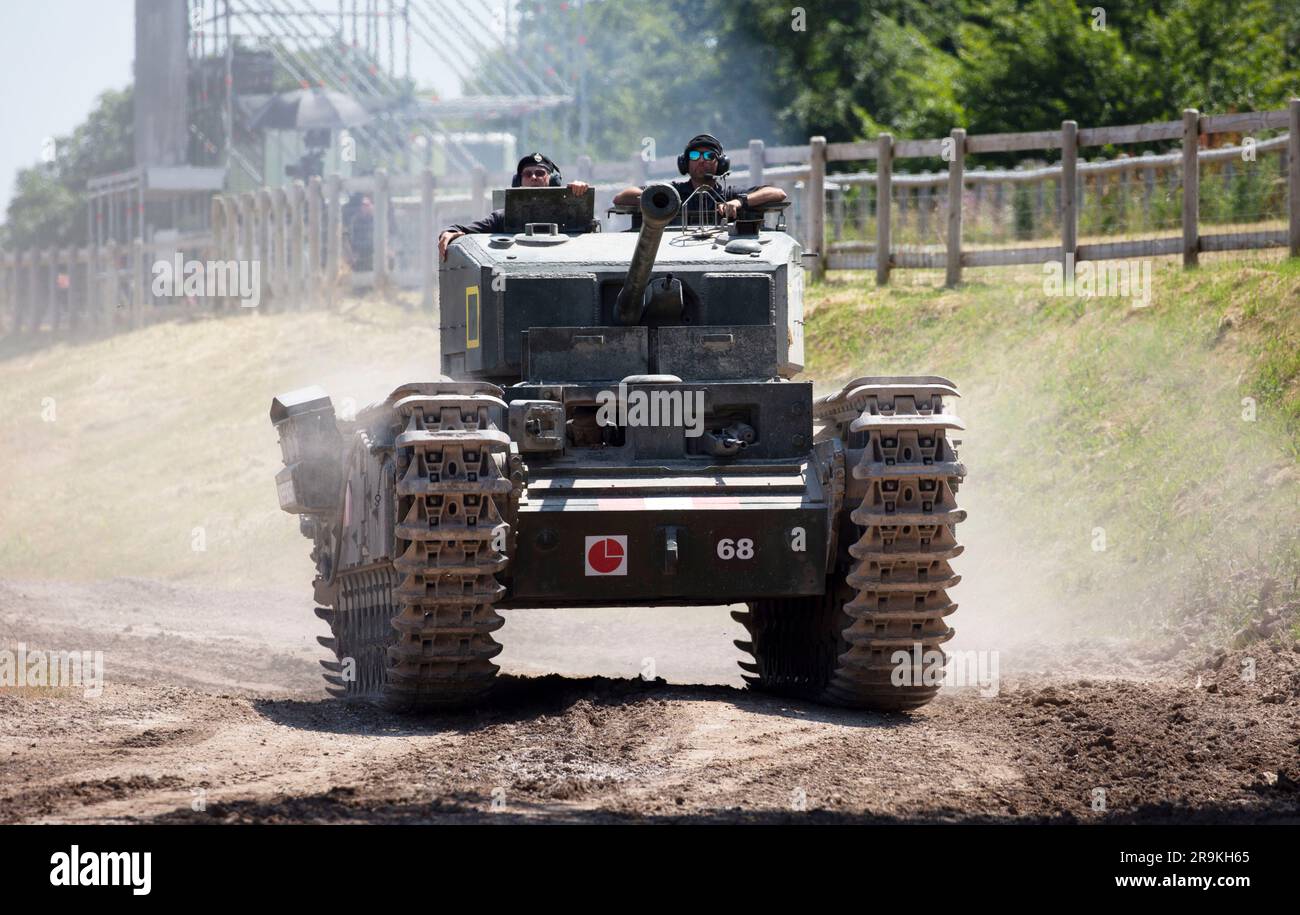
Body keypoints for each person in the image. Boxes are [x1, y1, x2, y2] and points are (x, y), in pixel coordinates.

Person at [438, 152, 590, 260]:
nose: (534, 178)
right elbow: (464, 230)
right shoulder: (503, 217)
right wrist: (451, 232)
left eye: (540, 173)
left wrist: (578, 196)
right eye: (528, 174)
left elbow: (590, 231)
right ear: (519, 181)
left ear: (553, 180)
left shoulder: (569, 213)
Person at [612, 134, 787, 223]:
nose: (702, 159)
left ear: (720, 164)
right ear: (685, 163)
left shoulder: (728, 193)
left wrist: (738, 203)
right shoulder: (673, 193)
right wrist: (658, 200)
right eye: (695, 155)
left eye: (709, 155)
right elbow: (621, 198)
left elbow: (777, 193)